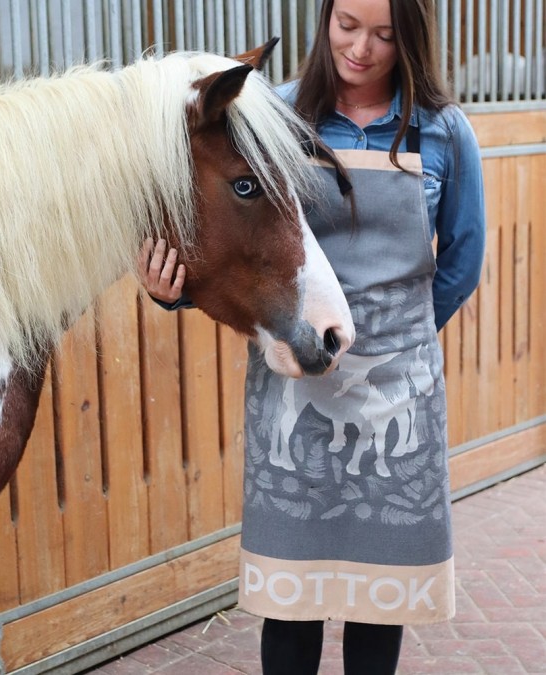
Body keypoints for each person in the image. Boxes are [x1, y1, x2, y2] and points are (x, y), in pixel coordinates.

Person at [138, 0, 486, 672]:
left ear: (409, 37)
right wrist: (172, 291)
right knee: (290, 602)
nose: (360, 48)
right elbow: (231, 234)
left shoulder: (442, 132)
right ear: (324, 20)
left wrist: (396, 339)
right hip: (294, 393)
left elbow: (462, 261)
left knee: (380, 599)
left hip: (398, 396)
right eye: (346, 26)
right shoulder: (273, 111)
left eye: (384, 34)